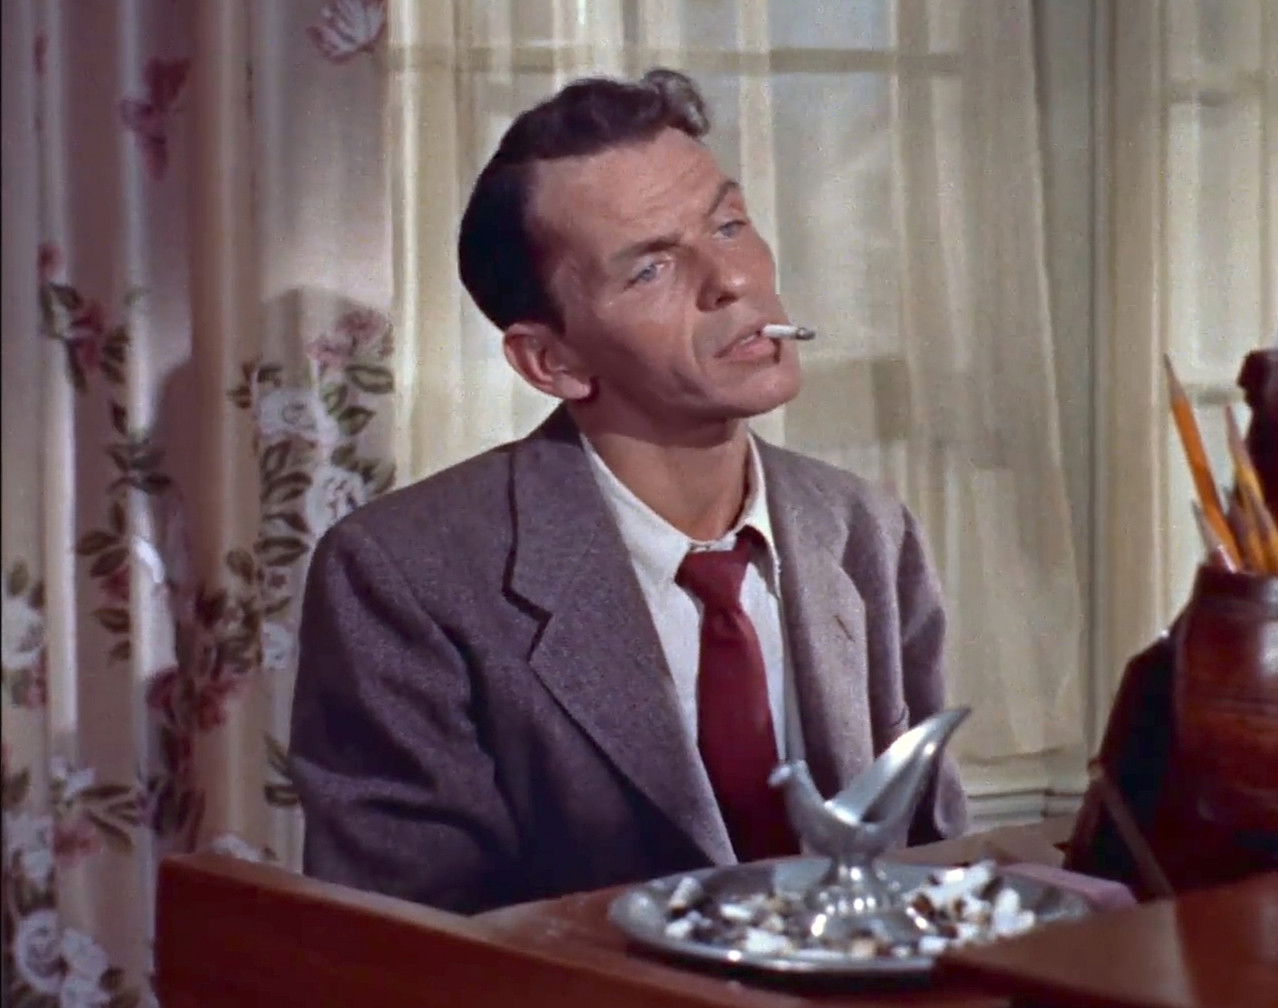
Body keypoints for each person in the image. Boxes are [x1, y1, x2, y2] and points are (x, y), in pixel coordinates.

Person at [289, 68, 967, 914]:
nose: (731, 280)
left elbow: (929, 868)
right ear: (553, 361)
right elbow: (419, 948)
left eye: (729, 224)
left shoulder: (865, 529)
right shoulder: (405, 575)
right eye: (651, 269)